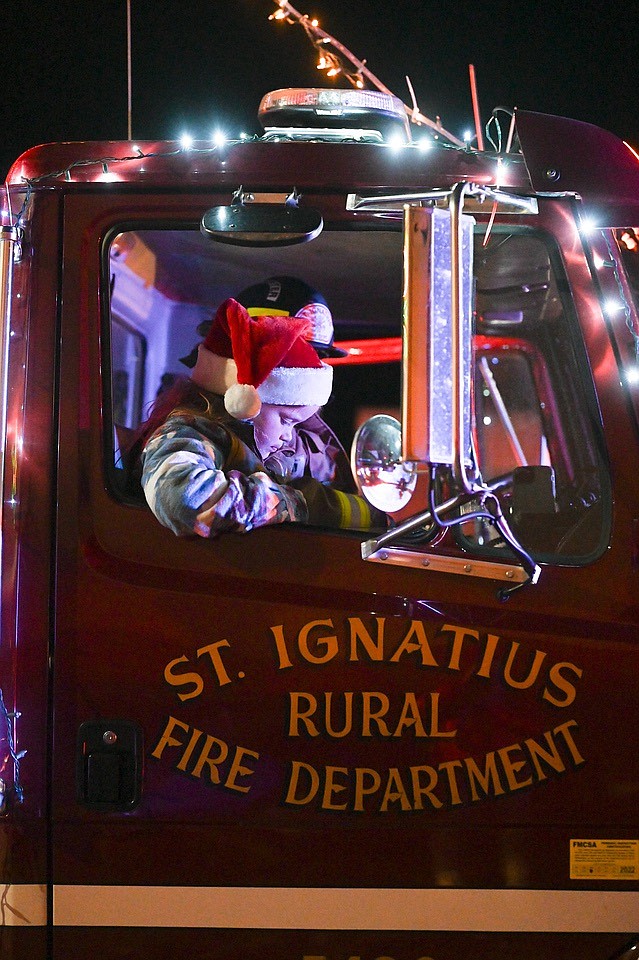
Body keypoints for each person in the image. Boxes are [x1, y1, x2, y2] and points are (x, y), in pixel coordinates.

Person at [138, 295, 386, 538]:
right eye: (286, 420)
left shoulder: (291, 443)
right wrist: (297, 504)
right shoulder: (186, 434)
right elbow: (186, 501)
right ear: (243, 403)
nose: (289, 435)